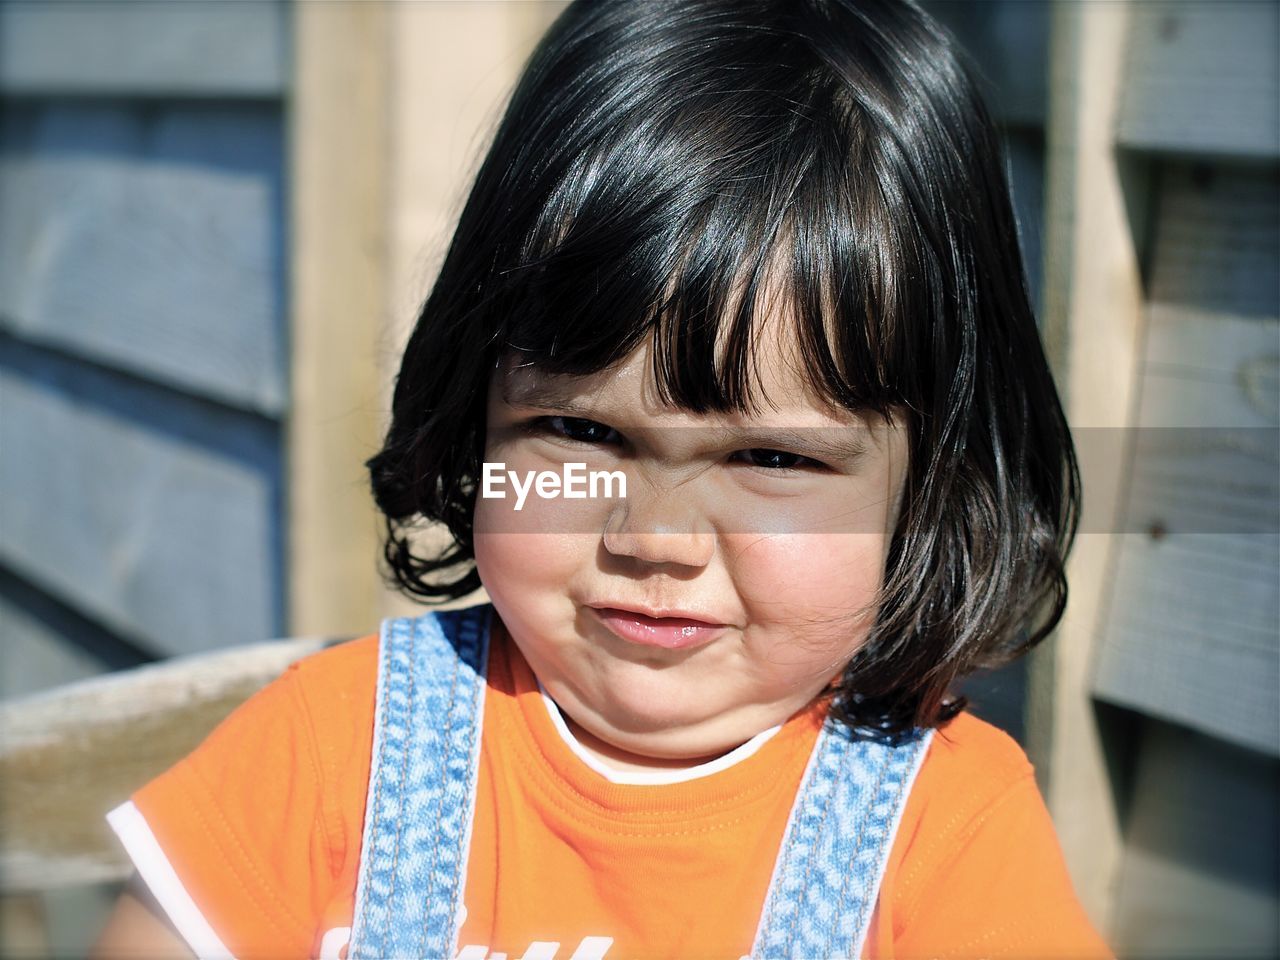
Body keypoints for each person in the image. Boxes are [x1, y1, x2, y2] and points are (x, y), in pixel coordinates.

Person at [91, 0, 1116, 957]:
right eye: (580, 431)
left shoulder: (945, 832)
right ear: (474, 409)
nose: (653, 538)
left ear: (925, 489)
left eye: (770, 458)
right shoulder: (333, 753)